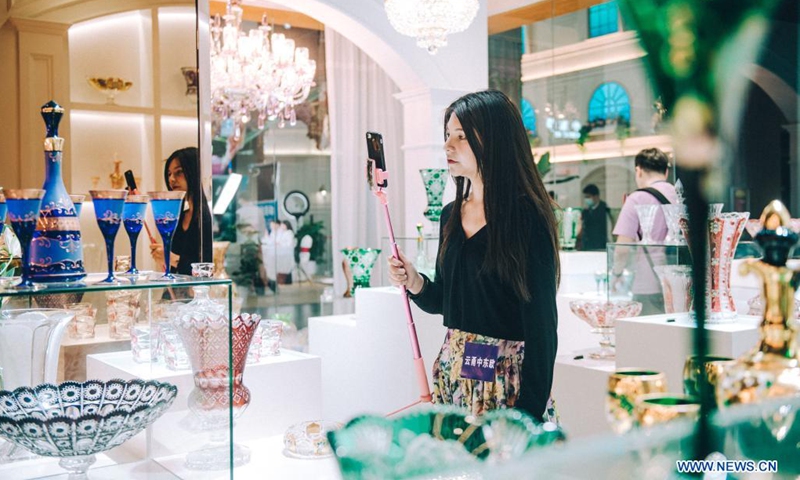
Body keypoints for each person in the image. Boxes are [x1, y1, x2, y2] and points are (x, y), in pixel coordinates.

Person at [387, 90, 560, 423]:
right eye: (447, 136)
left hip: (505, 381)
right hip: (454, 374)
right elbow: (445, 301)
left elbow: (542, 328)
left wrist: (526, 418)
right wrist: (414, 281)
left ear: (493, 140)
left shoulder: (528, 218)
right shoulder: (451, 214)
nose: (448, 146)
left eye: (462, 136)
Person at [611, 148, 678, 314]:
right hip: (681, 282)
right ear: (666, 171)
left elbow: (622, 248)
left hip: (648, 283)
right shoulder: (680, 196)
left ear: (638, 171)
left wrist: (617, 273)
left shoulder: (637, 198)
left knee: (647, 337)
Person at [150, 147, 213, 275]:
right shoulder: (180, 216)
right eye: (169, 174)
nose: (171, 179)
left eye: (179, 172)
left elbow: (208, 269)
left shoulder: (206, 218)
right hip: (179, 291)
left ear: (193, 172)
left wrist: (173, 259)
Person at [579, 184, 613, 251]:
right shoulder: (586, 212)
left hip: (600, 248)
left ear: (596, 196)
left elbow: (609, 231)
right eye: (585, 197)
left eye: (588, 197)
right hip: (587, 248)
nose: (586, 199)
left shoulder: (604, 210)